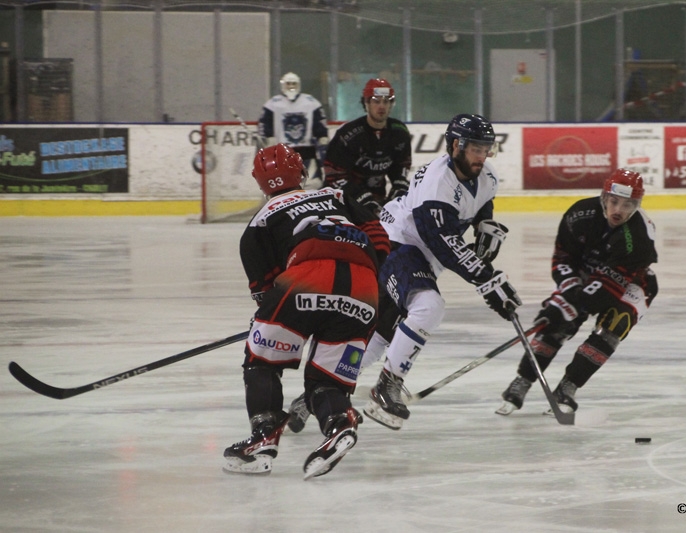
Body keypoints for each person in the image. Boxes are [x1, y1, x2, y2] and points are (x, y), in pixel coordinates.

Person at [223, 143, 390, 479]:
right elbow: (380, 237)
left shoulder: (259, 221)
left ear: (259, 183)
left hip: (304, 280)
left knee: (261, 360)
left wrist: (269, 319)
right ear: (301, 172)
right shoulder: (335, 195)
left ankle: (263, 441)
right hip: (365, 289)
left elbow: (266, 291)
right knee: (326, 382)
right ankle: (340, 423)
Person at [358, 113, 523, 430]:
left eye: (486, 148)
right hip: (395, 243)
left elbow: (480, 209)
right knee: (428, 305)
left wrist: (484, 229)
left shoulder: (487, 175)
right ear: (456, 145)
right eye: (476, 148)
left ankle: (322, 388)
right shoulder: (437, 183)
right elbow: (443, 243)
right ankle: (385, 388)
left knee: (382, 333)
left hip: (420, 254)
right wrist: (486, 278)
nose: (482, 156)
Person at [496, 168, 658, 417]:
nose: (618, 211)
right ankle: (523, 381)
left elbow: (608, 286)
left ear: (637, 205)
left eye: (628, 205)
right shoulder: (579, 214)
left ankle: (568, 387)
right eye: (614, 201)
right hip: (585, 271)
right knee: (555, 323)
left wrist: (574, 305)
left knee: (614, 325)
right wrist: (568, 294)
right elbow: (563, 257)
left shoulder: (638, 235)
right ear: (604, 197)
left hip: (631, 282)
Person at [323, 78, 412, 213]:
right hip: (341, 201)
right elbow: (334, 175)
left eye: (386, 101)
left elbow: (401, 166)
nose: (381, 106)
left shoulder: (399, 132)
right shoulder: (348, 134)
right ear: (366, 103)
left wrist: (399, 189)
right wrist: (362, 198)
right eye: (376, 101)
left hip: (377, 197)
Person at [258, 72, 329, 188]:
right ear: (283, 85)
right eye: (288, 84)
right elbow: (264, 123)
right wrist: (268, 137)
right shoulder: (273, 104)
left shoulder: (311, 102)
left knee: (313, 183)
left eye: (294, 84)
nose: (291, 86)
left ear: (299, 85)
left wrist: (322, 135)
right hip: (283, 151)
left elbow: (319, 121)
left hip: (307, 150)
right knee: (286, 184)